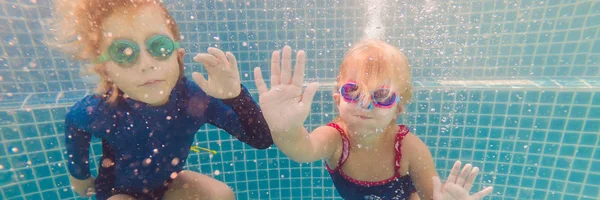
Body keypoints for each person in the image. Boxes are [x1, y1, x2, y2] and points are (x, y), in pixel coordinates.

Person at [51, 0, 272, 199]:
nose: (147, 64)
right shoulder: (103, 108)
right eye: (124, 52)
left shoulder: (195, 99)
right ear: (106, 70)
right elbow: (74, 121)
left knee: (220, 195)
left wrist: (235, 97)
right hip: (118, 192)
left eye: (159, 47)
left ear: (178, 56)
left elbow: (261, 139)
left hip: (169, 184)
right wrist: (79, 174)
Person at [253, 41, 493, 199]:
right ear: (338, 99)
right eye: (353, 92)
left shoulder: (408, 146)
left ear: (397, 108)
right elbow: (302, 150)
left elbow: (432, 195)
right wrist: (285, 128)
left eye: (382, 95)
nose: (365, 104)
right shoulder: (336, 137)